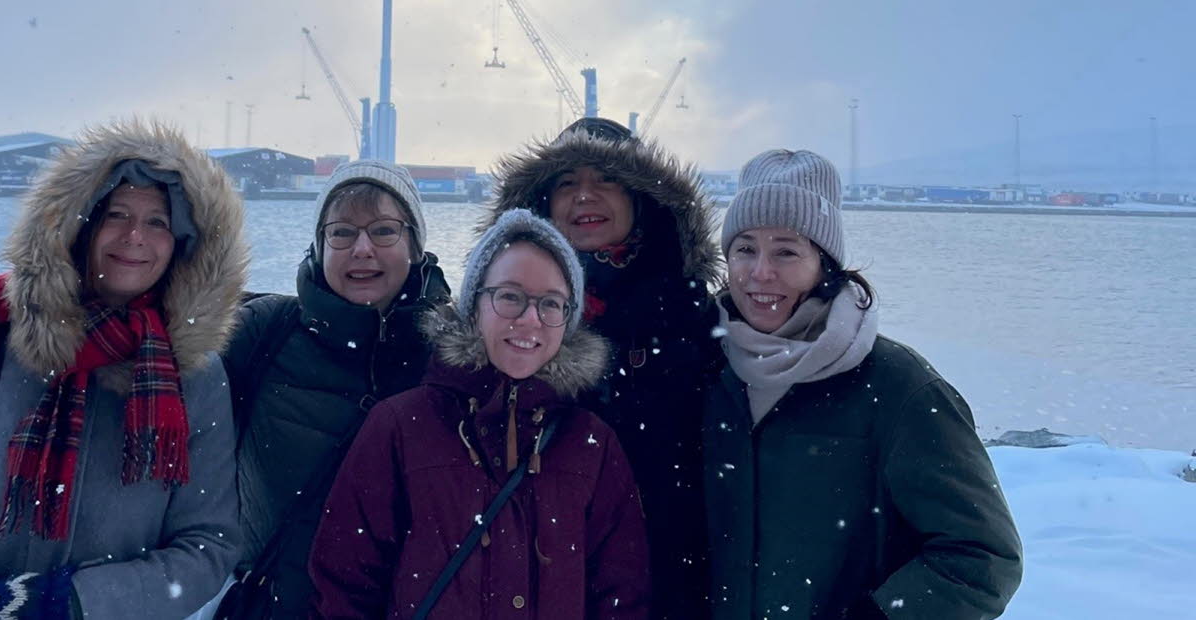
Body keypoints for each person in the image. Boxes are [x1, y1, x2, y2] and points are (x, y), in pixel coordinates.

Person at [0, 120, 248, 619]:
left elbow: (207, 546)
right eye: (116, 214)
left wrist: (73, 603)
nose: (133, 236)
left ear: (183, 246)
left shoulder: (193, 375)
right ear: (80, 226)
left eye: (158, 222)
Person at [703, 149, 1023, 619]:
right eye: (745, 248)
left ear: (824, 264)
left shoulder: (899, 386)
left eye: (786, 251)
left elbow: (982, 555)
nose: (760, 272)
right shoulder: (700, 370)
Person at [309, 209, 649, 619]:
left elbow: (622, 596)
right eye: (509, 296)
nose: (529, 319)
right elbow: (344, 583)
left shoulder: (592, 443)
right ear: (473, 306)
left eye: (551, 304)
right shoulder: (399, 427)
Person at [486, 116, 722, 616]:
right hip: (531, 580)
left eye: (606, 180)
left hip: (666, 580)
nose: (585, 196)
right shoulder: (503, 316)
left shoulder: (692, 317)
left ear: (641, 197)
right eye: (567, 183)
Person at [215, 160, 452, 619]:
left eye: (384, 231)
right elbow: (172, 356)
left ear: (416, 247)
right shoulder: (265, 332)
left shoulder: (454, 357)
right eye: (342, 232)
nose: (362, 248)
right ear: (319, 246)